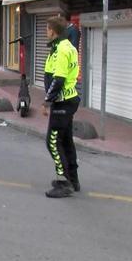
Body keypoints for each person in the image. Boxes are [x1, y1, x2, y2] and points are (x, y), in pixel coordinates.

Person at [43, 16, 81, 198]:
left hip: (62, 101)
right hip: (69, 99)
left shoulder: (61, 50)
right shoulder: (68, 47)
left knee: (52, 142)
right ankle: (73, 179)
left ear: (53, 31)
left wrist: (47, 101)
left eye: (47, 29)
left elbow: (58, 79)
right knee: (66, 141)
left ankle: (63, 181)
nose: (45, 32)